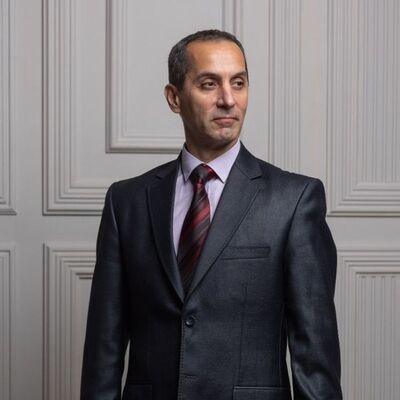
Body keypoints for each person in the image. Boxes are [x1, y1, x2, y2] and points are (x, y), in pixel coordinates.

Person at [80, 29, 342, 400]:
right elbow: (103, 348)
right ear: (174, 98)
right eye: (208, 84)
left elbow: (314, 354)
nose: (228, 99)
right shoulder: (127, 202)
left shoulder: (294, 200)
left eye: (239, 83)